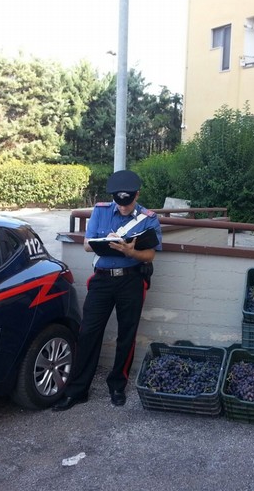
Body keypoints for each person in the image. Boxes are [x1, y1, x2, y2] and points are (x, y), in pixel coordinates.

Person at [53, 170, 162, 410]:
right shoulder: (101, 211)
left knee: (127, 334)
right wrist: (106, 242)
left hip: (131, 280)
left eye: (128, 202)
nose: (123, 207)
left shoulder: (148, 218)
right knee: (88, 332)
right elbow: (85, 245)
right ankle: (77, 390)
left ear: (137, 195)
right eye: (119, 202)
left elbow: (151, 254)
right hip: (102, 280)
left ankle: (117, 385)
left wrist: (130, 252)